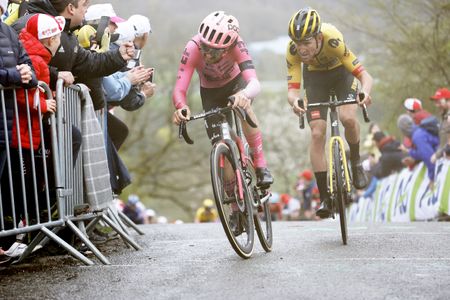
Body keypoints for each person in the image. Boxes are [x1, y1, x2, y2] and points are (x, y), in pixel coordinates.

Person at [286, 7, 373, 218]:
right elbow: (292, 90)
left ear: (318, 37)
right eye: (298, 44)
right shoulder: (293, 51)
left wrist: (364, 93)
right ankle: (325, 196)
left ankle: (356, 162)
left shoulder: (333, 41)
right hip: (315, 80)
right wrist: (295, 101)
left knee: (348, 118)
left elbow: (365, 77)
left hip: (341, 75)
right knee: (317, 133)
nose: (302, 50)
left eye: (307, 43)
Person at [172, 11, 273, 187]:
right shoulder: (193, 48)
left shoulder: (237, 45)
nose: (207, 55)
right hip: (211, 93)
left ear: (226, 49)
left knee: (244, 108)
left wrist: (244, 94)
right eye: (205, 48)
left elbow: (254, 83)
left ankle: (260, 164)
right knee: (219, 144)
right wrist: (181, 107)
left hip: (236, 84)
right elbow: (180, 88)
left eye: (214, 51)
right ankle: (234, 205)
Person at [397, 114, 439, 187]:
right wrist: (409, 151)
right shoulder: (418, 131)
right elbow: (423, 153)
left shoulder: (417, 136)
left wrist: (431, 178)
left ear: (404, 129)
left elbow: (429, 158)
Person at [429, 88, 450, 162]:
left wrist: (438, 155)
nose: (437, 105)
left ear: (448, 100)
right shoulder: (444, 116)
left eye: (439, 102)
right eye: (436, 102)